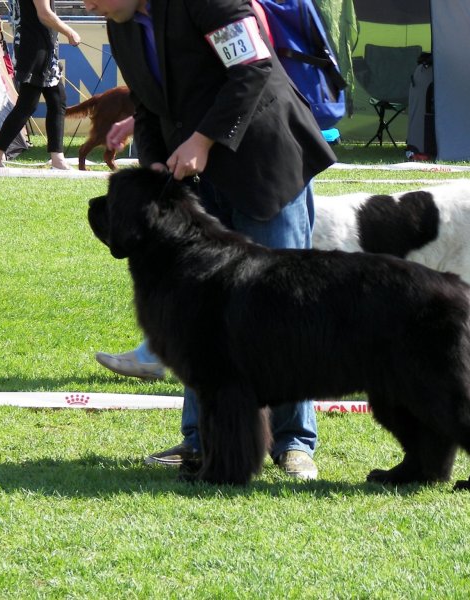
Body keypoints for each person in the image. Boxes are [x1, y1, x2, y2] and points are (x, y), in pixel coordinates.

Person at [83, 0, 337, 480]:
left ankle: (294, 444)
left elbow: (253, 67)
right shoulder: (119, 28)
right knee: (196, 315)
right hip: (199, 184)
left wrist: (203, 139)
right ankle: (202, 439)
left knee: (281, 308)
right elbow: (146, 105)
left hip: (265, 164)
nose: (87, 5)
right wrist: (156, 166)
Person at [0, 0, 81, 169]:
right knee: (27, 105)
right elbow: (44, 13)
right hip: (34, 47)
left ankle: (57, 160)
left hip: (40, 45)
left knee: (57, 100)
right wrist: (69, 32)